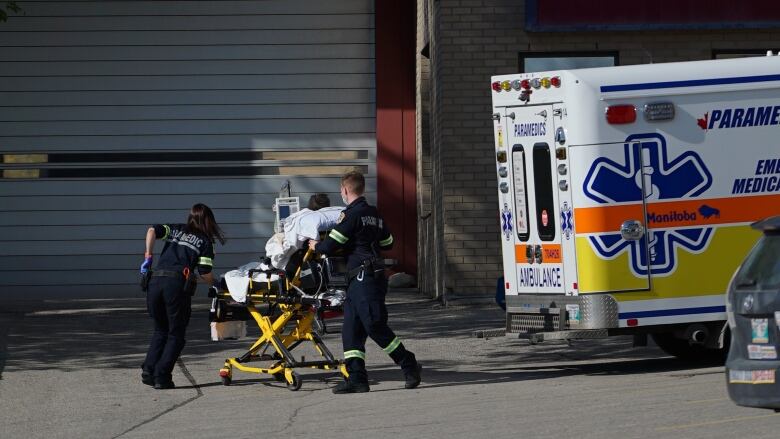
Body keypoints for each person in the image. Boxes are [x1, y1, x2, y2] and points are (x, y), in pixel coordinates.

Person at [308, 171, 421, 393]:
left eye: (341, 190)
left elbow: (330, 245)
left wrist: (316, 246)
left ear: (345, 190)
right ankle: (357, 379)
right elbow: (388, 241)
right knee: (350, 331)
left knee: (374, 325)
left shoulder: (351, 215)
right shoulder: (374, 214)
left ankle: (409, 364)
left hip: (365, 279)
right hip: (361, 279)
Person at [139, 203, 225, 389]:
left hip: (155, 282)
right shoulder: (206, 242)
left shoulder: (175, 229)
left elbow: (152, 230)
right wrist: (218, 285)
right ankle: (162, 377)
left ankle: (149, 370)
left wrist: (148, 257)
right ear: (209, 220)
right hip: (175, 286)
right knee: (176, 334)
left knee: (160, 329)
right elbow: (204, 273)